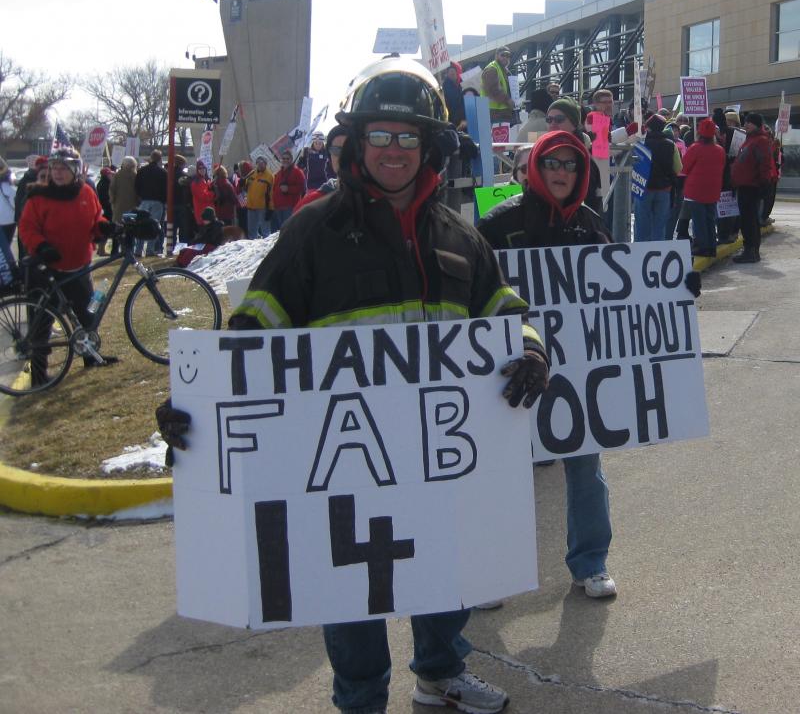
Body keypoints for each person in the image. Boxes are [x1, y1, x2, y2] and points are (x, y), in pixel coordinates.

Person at [157, 56, 549, 714]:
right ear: (357, 142)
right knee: (351, 583)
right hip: (343, 461)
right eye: (381, 135)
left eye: (408, 136)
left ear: (430, 145)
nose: (394, 150)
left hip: (432, 454)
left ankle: (440, 677)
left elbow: (502, 306)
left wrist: (532, 350)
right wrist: (203, 400)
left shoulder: (459, 233)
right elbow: (259, 321)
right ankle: (360, 700)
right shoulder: (314, 229)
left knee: (440, 562)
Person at [477, 130, 617, 600]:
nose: (561, 172)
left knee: (585, 466)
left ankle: (590, 562)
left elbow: (624, 289)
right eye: (552, 163)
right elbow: (471, 289)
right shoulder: (498, 224)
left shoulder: (592, 224)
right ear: (536, 167)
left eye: (571, 164)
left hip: (578, 371)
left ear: (581, 172)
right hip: (514, 365)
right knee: (502, 471)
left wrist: (675, 285)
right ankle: (491, 572)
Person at [18, 147, 117, 381]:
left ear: (75, 170)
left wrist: (104, 227)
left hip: (78, 267)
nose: (58, 173)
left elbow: (95, 219)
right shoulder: (38, 196)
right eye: (54, 168)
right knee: (41, 325)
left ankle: (91, 357)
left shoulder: (85, 192)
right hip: (46, 270)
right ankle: (39, 376)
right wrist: (42, 246)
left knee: (88, 315)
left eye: (63, 168)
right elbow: (27, 228)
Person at [730, 112, 775, 263]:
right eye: (746, 122)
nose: (747, 124)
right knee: (748, 220)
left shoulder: (760, 140)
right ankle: (751, 250)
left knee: (749, 220)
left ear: (757, 124)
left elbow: (765, 163)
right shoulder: (749, 139)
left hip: (751, 185)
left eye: (751, 122)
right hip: (744, 185)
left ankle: (751, 251)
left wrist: (764, 183)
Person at [680, 118, 726, 258]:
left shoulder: (695, 148)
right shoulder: (720, 150)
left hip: (696, 190)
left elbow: (685, 167)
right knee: (710, 219)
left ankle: (702, 247)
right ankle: (712, 247)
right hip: (713, 190)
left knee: (699, 220)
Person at [635, 114, 682, 242]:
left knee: (642, 227)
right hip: (664, 189)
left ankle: (641, 255)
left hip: (643, 188)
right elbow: (678, 168)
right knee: (660, 227)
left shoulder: (640, 144)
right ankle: (658, 257)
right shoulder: (671, 144)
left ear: (648, 128)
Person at [293, 125, 348, 214]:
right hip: (311, 185)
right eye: (316, 143)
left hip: (324, 183)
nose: (318, 145)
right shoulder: (307, 153)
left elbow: (332, 168)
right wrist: (302, 158)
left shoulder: (327, 152)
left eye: (320, 143)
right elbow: (300, 167)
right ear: (313, 143)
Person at [134, 149, 167, 257]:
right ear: (160, 159)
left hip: (144, 200)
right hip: (157, 201)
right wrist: (163, 200)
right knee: (154, 225)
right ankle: (150, 249)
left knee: (141, 225)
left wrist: (140, 197)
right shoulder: (163, 172)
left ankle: (138, 250)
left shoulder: (142, 171)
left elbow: (136, 186)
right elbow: (165, 189)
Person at [271, 151, 305, 231]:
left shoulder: (297, 172)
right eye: (283, 158)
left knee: (289, 230)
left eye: (287, 158)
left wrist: (288, 189)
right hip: (278, 207)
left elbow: (302, 187)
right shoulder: (279, 173)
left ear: (291, 159)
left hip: (290, 207)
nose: (285, 160)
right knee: (281, 230)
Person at [480, 46, 515, 124]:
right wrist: (508, 100)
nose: (505, 58)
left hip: (501, 114)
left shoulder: (504, 71)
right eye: (503, 55)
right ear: (496, 56)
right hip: (494, 114)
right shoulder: (492, 69)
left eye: (508, 56)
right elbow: (493, 90)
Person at [241, 156, 273, 239]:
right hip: (251, 207)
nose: (260, 164)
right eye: (258, 162)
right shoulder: (252, 174)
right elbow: (245, 188)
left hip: (263, 207)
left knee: (266, 232)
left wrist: (270, 208)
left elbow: (271, 193)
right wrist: (242, 183)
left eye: (262, 163)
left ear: (265, 164)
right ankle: (253, 250)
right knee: (252, 232)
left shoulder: (270, 176)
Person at [94, 167, 114, 255]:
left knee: (104, 231)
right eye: (110, 174)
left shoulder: (100, 183)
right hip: (107, 209)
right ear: (106, 175)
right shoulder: (106, 184)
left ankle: (100, 249)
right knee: (105, 231)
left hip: (103, 208)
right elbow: (107, 198)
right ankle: (101, 250)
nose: (111, 175)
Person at [190, 161, 215, 229]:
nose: (202, 170)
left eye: (204, 168)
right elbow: (203, 197)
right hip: (203, 213)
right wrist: (213, 193)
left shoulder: (204, 180)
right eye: (200, 168)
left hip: (207, 212)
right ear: (197, 170)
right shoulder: (197, 182)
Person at [0, 158, 16, 245]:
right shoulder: (10, 189)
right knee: (5, 248)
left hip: (6, 222)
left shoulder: (8, 188)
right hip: (10, 221)